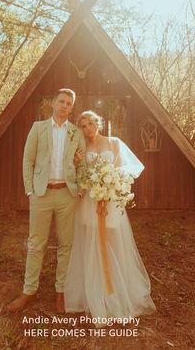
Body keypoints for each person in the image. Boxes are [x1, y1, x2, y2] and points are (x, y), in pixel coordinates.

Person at [64, 111, 156, 326]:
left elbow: (130, 167)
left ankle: (115, 287)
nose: (88, 128)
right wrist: (77, 163)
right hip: (90, 200)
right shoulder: (81, 146)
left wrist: (113, 180)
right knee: (91, 241)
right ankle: (94, 289)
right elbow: (77, 172)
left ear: (98, 123)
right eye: (84, 125)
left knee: (112, 240)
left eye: (91, 123)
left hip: (110, 200)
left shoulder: (114, 142)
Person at [7, 88, 85, 313]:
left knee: (65, 245)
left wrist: (78, 191)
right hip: (41, 195)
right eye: (61, 101)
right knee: (36, 244)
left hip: (67, 195)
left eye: (69, 103)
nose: (64, 105)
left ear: (72, 108)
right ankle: (29, 291)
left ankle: (61, 292)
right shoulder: (38, 128)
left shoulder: (75, 133)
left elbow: (82, 166)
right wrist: (30, 191)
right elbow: (27, 161)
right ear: (53, 103)